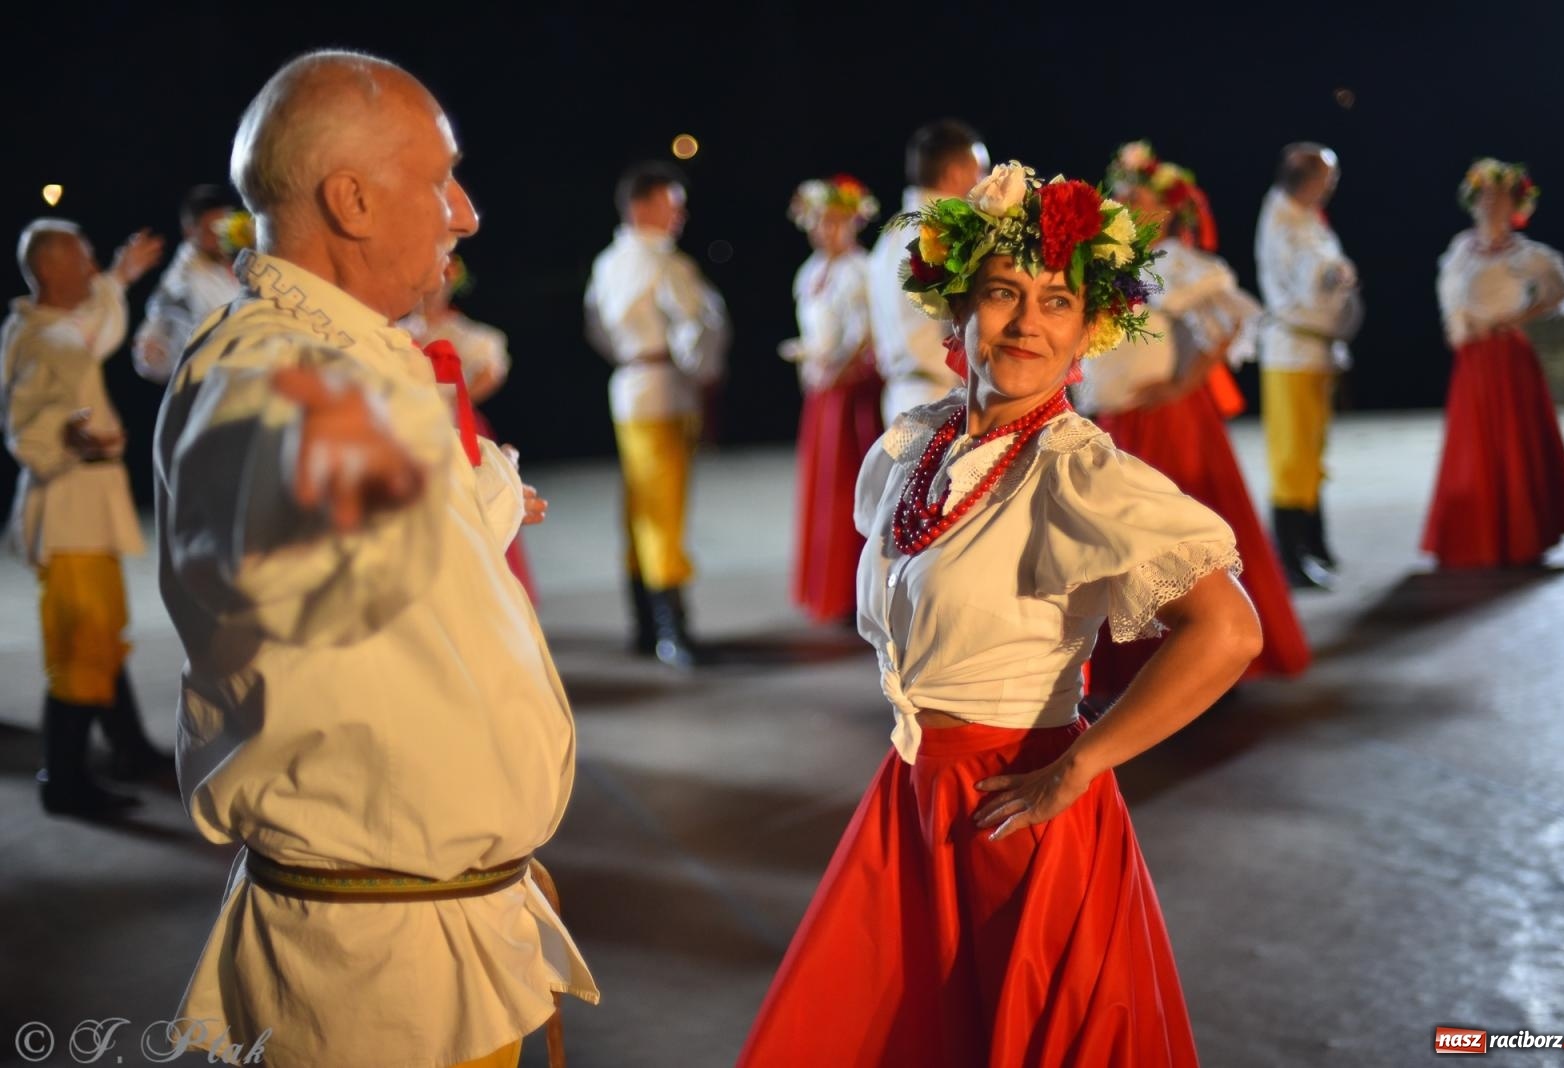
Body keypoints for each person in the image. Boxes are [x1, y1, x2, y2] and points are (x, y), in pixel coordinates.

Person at [738, 161, 1263, 1067]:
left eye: (1057, 301)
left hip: (1015, 814)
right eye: (1002, 293)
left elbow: (1229, 629)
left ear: (1089, 329)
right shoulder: (918, 445)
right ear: (958, 312)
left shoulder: (1076, 470)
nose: (1027, 322)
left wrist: (1084, 762)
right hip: (913, 799)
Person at [154, 50, 594, 1068]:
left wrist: (478, 492)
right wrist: (442, 493)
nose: (465, 213)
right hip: (378, 977)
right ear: (349, 201)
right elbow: (322, 517)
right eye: (440, 180)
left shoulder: (336, 357)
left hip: (443, 926)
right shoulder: (279, 373)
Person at [1081, 142, 1309, 701]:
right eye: (1123, 197)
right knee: (1120, 540)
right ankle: (1127, 669)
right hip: (1115, 422)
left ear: (1167, 210)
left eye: (1139, 199)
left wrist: (1184, 383)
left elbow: (1227, 323)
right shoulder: (1109, 261)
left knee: (1179, 538)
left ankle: (1205, 656)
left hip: (1168, 420)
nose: (1128, 206)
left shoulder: (1177, 264)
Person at [2, 218, 167, 816]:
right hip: (66, 511)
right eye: (83, 258)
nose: (92, 268)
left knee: (101, 631)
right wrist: (67, 436)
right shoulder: (35, 338)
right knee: (82, 640)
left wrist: (120, 276)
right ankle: (65, 779)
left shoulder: (57, 328)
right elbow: (22, 427)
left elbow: (97, 324)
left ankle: (128, 748)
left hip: (87, 509)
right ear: (50, 269)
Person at [585, 161, 729, 668]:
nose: (679, 214)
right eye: (671, 204)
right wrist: (701, 369)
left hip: (628, 381)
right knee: (663, 508)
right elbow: (698, 326)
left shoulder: (608, 261)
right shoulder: (665, 263)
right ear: (641, 206)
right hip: (663, 387)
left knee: (639, 506)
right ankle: (672, 629)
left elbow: (596, 325)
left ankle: (646, 624)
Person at [1422, 158, 1564, 567]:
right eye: (1484, 197)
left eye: (1499, 198)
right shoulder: (1462, 249)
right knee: (1474, 443)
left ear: (1514, 205)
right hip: (1473, 355)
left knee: (1515, 443)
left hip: (1507, 353)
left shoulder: (1524, 253)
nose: (1490, 205)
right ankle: (1477, 536)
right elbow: (1449, 293)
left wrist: (1520, 316)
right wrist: (1456, 327)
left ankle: (1521, 537)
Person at [1254, 142, 1362, 588]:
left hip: (1314, 351)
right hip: (1292, 352)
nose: (1331, 186)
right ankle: (1290, 555)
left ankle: (1314, 541)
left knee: (1312, 453)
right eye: (1327, 178)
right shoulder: (1283, 220)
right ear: (1311, 179)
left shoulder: (1303, 214)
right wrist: (1334, 272)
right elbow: (1307, 276)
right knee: (1292, 456)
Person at [781, 174, 882, 624]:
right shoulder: (810, 271)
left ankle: (852, 591)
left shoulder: (860, 270)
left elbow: (866, 333)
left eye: (837, 221)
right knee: (821, 484)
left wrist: (839, 370)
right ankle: (825, 588)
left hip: (852, 389)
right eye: (821, 221)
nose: (827, 230)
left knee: (847, 486)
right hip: (823, 386)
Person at [410, 254, 538, 604]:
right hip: (415, 427)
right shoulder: (403, 332)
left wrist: (451, 400)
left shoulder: (466, 334)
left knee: (485, 500)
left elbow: (491, 373)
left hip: (458, 423)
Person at [868, 119, 988, 424]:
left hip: (898, 395)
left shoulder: (889, 234)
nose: (985, 182)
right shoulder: (948, 230)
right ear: (955, 173)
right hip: (941, 395)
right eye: (980, 171)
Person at [132, 184, 242, 382]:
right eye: (212, 229)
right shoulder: (181, 284)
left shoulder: (234, 261)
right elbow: (150, 357)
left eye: (226, 226)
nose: (221, 236)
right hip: (219, 384)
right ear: (190, 231)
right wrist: (154, 351)